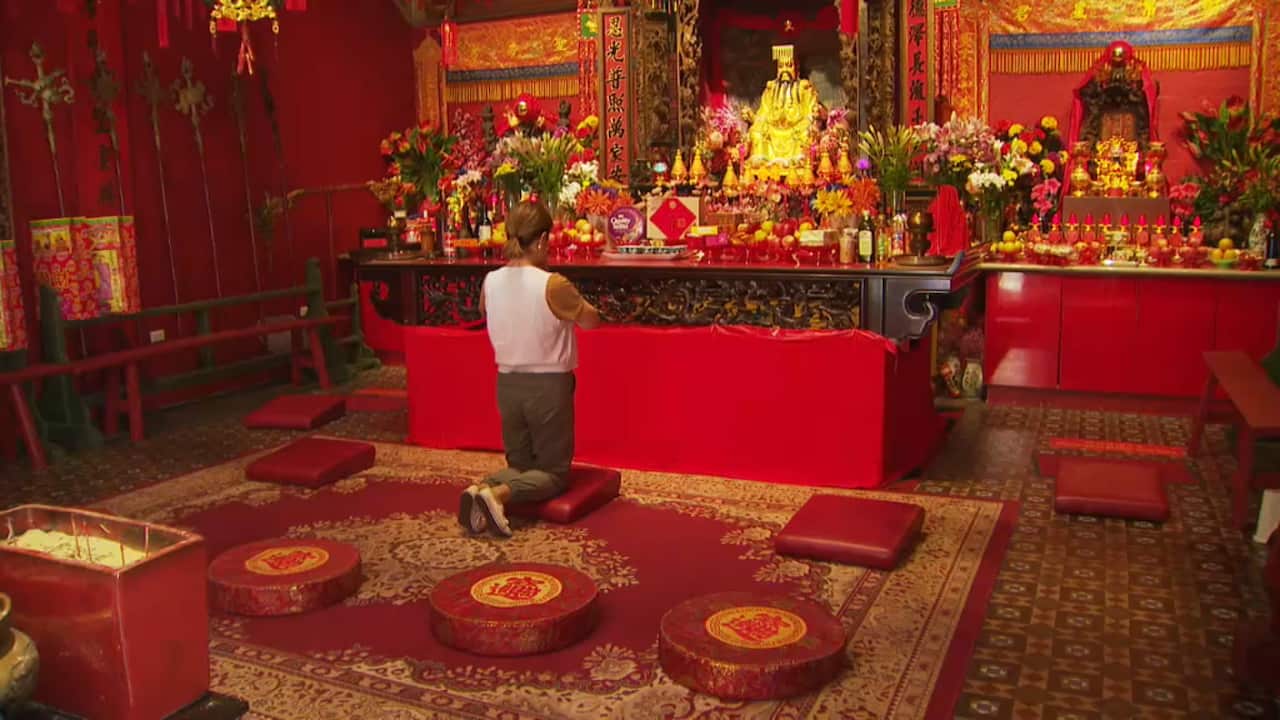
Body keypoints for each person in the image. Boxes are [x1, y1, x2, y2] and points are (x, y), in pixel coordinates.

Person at [459, 200, 602, 537]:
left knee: (520, 466)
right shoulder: (551, 284)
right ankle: (496, 494)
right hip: (548, 388)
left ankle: (477, 490)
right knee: (553, 473)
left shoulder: (491, 280)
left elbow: (485, 309)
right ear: (539, 241)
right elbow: (591, 322)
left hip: (507, 384)